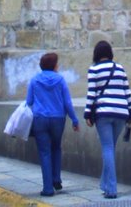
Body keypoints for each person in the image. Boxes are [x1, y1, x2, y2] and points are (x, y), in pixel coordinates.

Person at [83, 40, 131, 200]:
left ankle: (111, 189)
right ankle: (105, 184)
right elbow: (127, 92)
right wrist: (130, 113)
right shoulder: (120, 68)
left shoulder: (94, 70)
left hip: (104, 113)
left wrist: (87, 115)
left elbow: (91, 94)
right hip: (121, 113)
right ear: (110, 53)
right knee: (110, 147)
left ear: (96, 54)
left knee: (107, 148)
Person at [26, 52, 79, 197]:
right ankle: (57, 179)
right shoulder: (60, 80)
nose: (58, 65)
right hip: (58, 119)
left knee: (44, 152)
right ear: (54, 65)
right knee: (56, 148)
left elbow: (29, 101)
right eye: (57, 63)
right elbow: (67, 103)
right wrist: (74, 120)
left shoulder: (35, 80)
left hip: (40, 119)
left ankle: (48, 188)